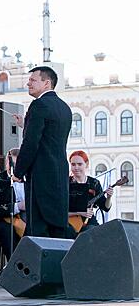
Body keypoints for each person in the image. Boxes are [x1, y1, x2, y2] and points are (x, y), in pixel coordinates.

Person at [12, 66, 72, 238]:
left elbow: (31, 143)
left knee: (38, 232)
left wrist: (18, 171)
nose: (28, 83)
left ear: (46, 83)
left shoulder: (38, 105)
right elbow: (49, 137)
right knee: (58, 230)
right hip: (59, 175)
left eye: (32, 80)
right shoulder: (64, 108)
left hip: (40, 176)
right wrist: (27, 125)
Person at [67, 150, 114, 238]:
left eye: (79, 164)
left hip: (89, 224)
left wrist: (109, 197)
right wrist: (80, 213)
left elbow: (105, 207)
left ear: (86, 164)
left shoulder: (94, 183)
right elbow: (59, 211)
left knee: (95, 234)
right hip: (68, 224)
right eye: (73, 164)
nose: (76, 167)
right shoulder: (65, 183)